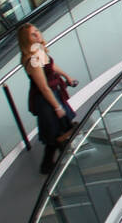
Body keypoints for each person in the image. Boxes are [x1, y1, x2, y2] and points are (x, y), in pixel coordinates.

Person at [19, 22, 78, 174]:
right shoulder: (32, 60)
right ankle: (55, 162)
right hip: (47, 100)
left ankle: (53, 162)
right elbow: (43, 87)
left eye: (37, 31)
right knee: (57, 131)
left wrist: (66, 76)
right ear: (27, 39)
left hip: (52, 95)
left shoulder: (37, 51)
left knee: (59, 130)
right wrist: (56, 106)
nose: (38, 34)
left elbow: (50, 66)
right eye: (33, 34)